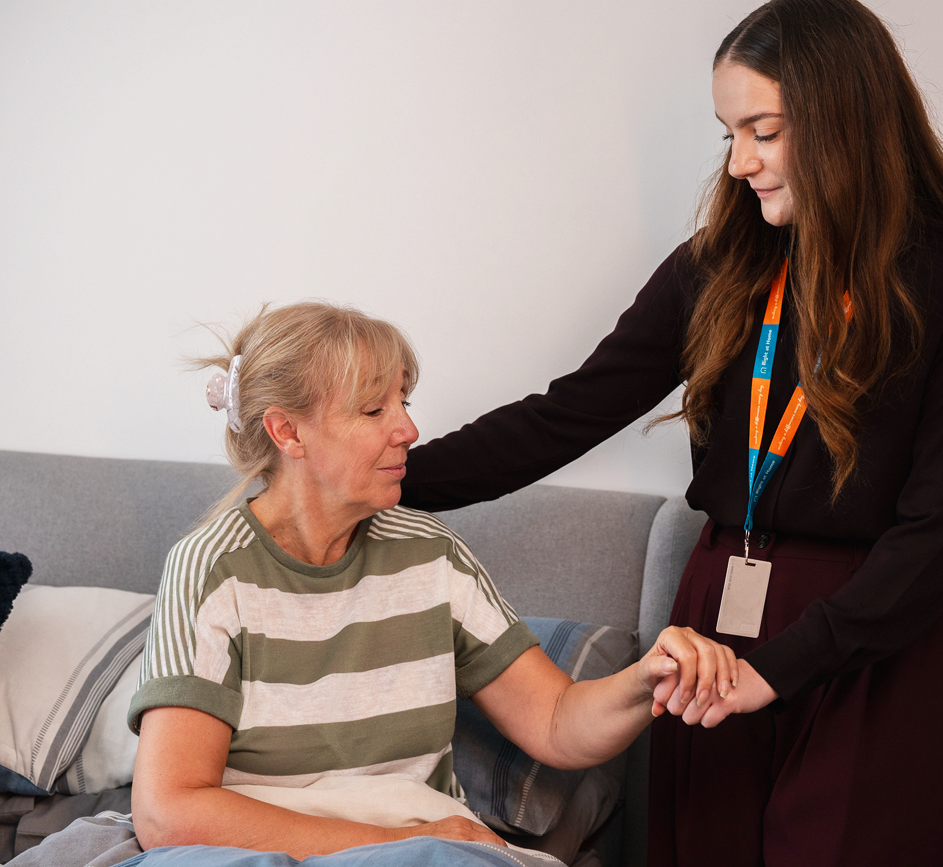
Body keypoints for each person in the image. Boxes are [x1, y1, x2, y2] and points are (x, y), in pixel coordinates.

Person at [396, 1, 943, 864]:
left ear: (844, 120)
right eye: (729, 133)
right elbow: (564, 414)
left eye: (762, 130)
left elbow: (934, 535)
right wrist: (388, 479)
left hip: (872, 631)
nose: (741, 162)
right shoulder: (718, 266)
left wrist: (782, 665)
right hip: (713, 630)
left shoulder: (931, 278)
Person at [128, 302, 733, 860]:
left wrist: (649, 678)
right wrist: (398, 846)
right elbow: (167, 812)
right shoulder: (212, 568)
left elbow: (555, 721)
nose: (409, 431)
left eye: (404, 403)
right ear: (287, 432)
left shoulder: (430, 552)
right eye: (374, 411)